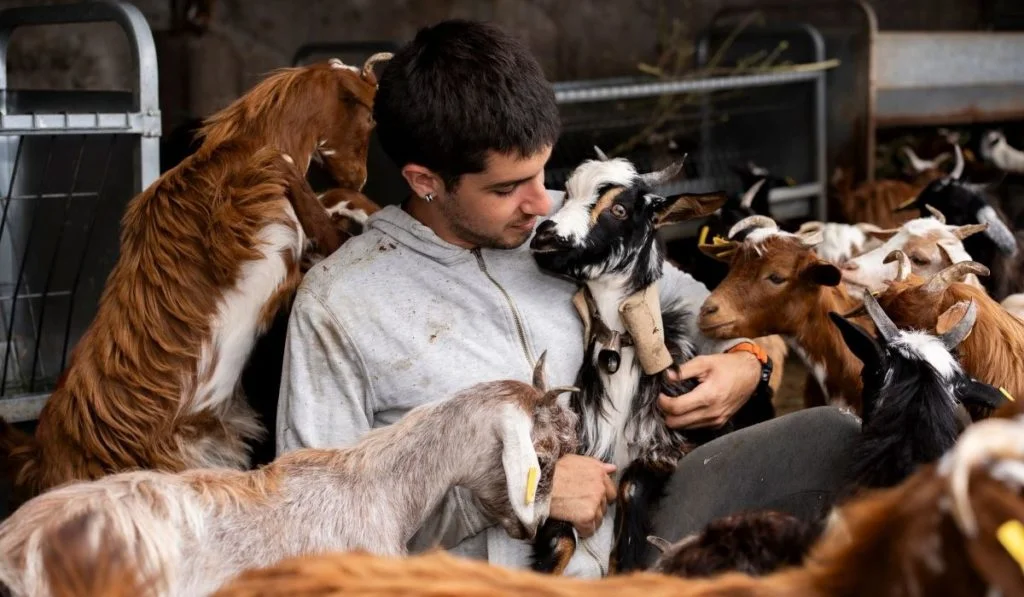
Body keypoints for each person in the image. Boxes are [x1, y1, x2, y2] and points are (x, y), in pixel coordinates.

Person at [275, 19, 860, 577]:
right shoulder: (342, 305)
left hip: (653, 536)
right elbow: (317, 531)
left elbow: (724, 317)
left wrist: (747, 364)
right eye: (506, 188)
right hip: (504, 579)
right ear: (425, 179)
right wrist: (525, 490)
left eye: (543, 170)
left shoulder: (582, 222)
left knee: (834, 440)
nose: (540, 202)